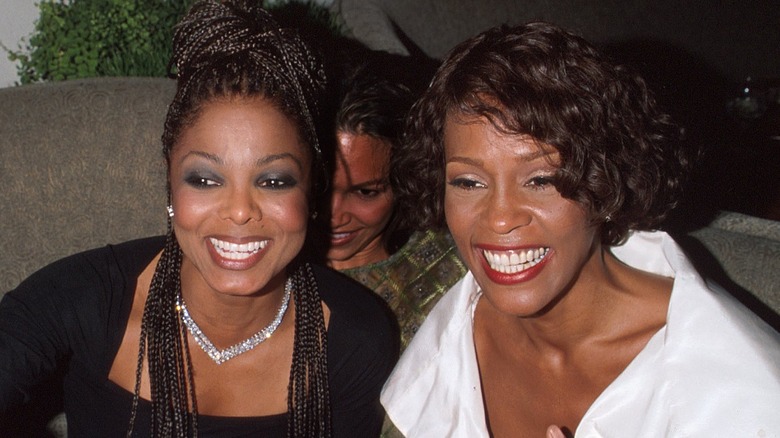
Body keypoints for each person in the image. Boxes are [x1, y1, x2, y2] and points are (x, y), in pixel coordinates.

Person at [0, 1, 396, 436]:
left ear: (311, 190)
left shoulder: (355, 340)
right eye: (206, 179)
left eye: (274, 180)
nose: (241, 210)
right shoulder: (80, 300)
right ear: (170, 180)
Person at [380, 22, 780, 437]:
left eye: (541, 180)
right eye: (468, 183)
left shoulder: (738, 389)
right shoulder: (453, 335)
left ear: (605, 181)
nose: (499, 218)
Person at [319, 50, 467, 349]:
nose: (334, 215)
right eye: (319, 186)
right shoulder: (266, 256)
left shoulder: (452, 270)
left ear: (406, 179)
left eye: (366, 192)